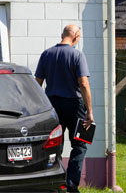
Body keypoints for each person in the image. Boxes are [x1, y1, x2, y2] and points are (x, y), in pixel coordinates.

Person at [35, 25, 94, 193]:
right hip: (76, 106)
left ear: (62, 35)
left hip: (53, 106)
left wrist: (41, 108)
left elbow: (37, 82)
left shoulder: (47, 54)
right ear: (75, 37)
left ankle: (56, 181)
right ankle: (72, 183)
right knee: (80, 145)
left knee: (55, 145)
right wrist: (89, 111)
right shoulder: (77, 54)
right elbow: (83, 83)